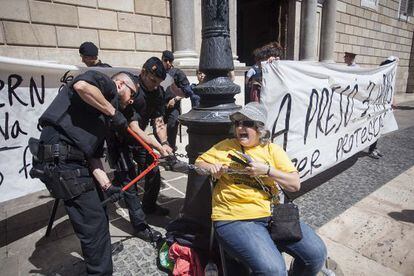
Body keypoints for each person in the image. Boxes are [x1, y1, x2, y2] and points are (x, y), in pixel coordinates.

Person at [195, 102, 327, 275]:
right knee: (274, 271)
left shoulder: (272, 150)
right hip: (235, 218)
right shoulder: (226, 146)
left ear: (260, 129)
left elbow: (295, 184)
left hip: (272, 216)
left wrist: (267, 170)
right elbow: (198, 164)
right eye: (237, 123)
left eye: (247, 123)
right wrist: (211, 168)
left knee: (317, 255)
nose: (240, 127)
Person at [30, 70, 136, 275]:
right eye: (132, 94)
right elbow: (81, 86)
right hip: (63, 160)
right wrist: (113, 112)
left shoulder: (102, 117)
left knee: (98, 214)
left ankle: (97, 266)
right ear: (121, 84)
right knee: (93, 224)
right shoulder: (105, 84)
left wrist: (108, 186)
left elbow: (93, 159)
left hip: (74, 161)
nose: (131, 101)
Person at [125, 57, 173, 216]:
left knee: (153, 171)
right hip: (121, 138)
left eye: (158, 82)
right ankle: (135, 216)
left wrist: (164, 142)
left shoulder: (158, 93)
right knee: (128, 178)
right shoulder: (132, 87)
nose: (155, 85)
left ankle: (149, 206)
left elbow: (158, 121)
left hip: (141, 138)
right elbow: (133, 127)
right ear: (143, 72)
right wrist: (158, 146)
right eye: (153, 80)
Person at [161, 50, 200, 151]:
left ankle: (171, 149)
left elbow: (187, 91)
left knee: (172, 125)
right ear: (162, 60)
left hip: (173, 106)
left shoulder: (178, 73)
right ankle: (166, 148)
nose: (168, 63)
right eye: (166, 60)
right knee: (157, 130)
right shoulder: (159, 73)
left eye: (170, 60)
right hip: (160, 106)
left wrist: (175, 98)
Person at [368, 56, 398, 159]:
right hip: (375, 108)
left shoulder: (389, 77)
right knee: (374, 128)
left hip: (382, 109)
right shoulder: (378, 76)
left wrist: (392, 101)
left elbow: (390, 90)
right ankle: (371, 149)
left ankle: (373, 148)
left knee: (379, 129)